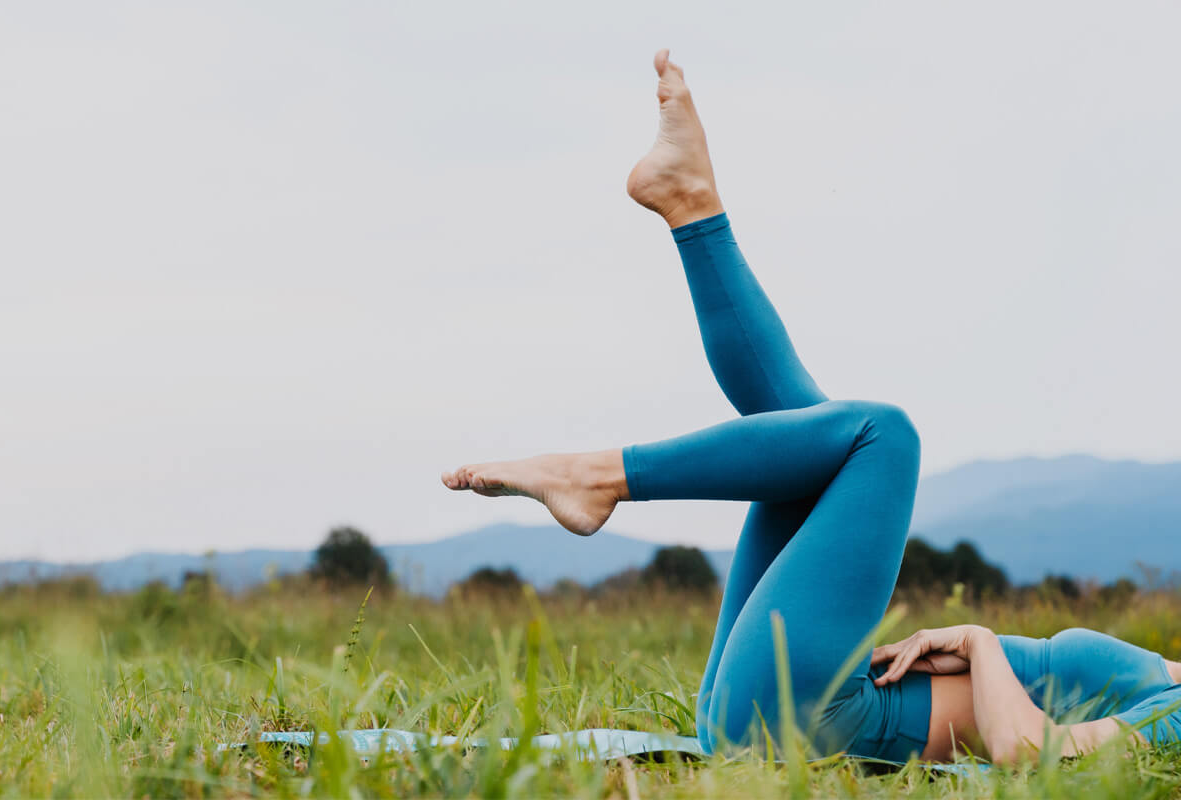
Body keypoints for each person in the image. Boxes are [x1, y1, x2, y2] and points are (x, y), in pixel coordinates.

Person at [442, 49, 1181, 764]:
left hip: (803, 725)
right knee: (809, 431)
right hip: (777, 708)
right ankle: (690, 204)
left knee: (883, 437)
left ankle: (601, 474)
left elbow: (1030, 755)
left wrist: (978, 642)